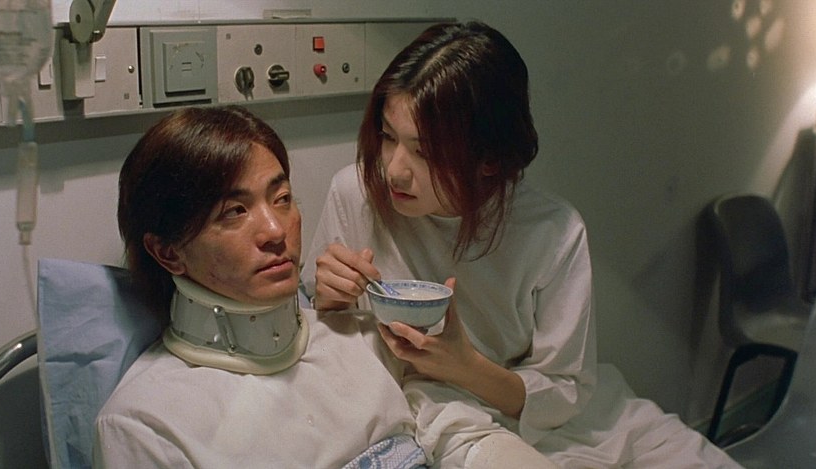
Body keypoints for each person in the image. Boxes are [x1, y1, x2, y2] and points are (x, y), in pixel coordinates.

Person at [301, 21, 741, 468]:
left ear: (490, 159)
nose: (394, 170)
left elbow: (564, 391)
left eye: (425, 151)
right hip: (443, 417)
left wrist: (463, 365)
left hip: (549, 418)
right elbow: (326, 342)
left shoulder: (552, 231)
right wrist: (330, 299)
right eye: (388, 136)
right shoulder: (356, 194)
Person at [93, 105, 425, 468]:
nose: (275, 231)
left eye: (282, 199)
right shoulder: (144, 426)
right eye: (234, 211)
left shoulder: (367, 341)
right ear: (168, 253)